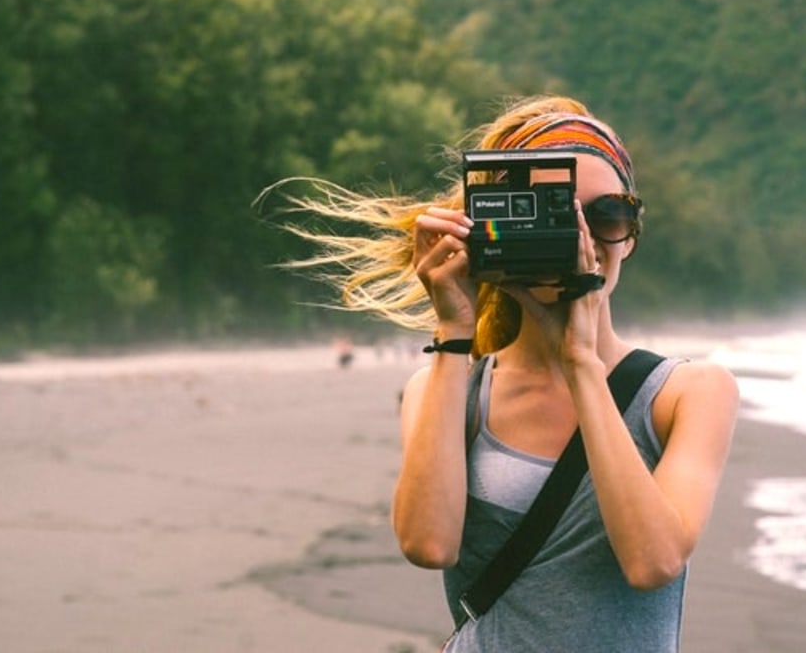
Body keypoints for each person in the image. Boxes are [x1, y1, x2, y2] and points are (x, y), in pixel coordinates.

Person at [277, 95, 739, 652]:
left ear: (631, 235)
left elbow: (653, 561)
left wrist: (583, 365)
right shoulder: (449, 390)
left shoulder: (689, 392)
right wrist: (454, 329)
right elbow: (427, 543)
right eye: (554, 213)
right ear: (496, 223)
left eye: (606, 216)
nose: (582, 240)